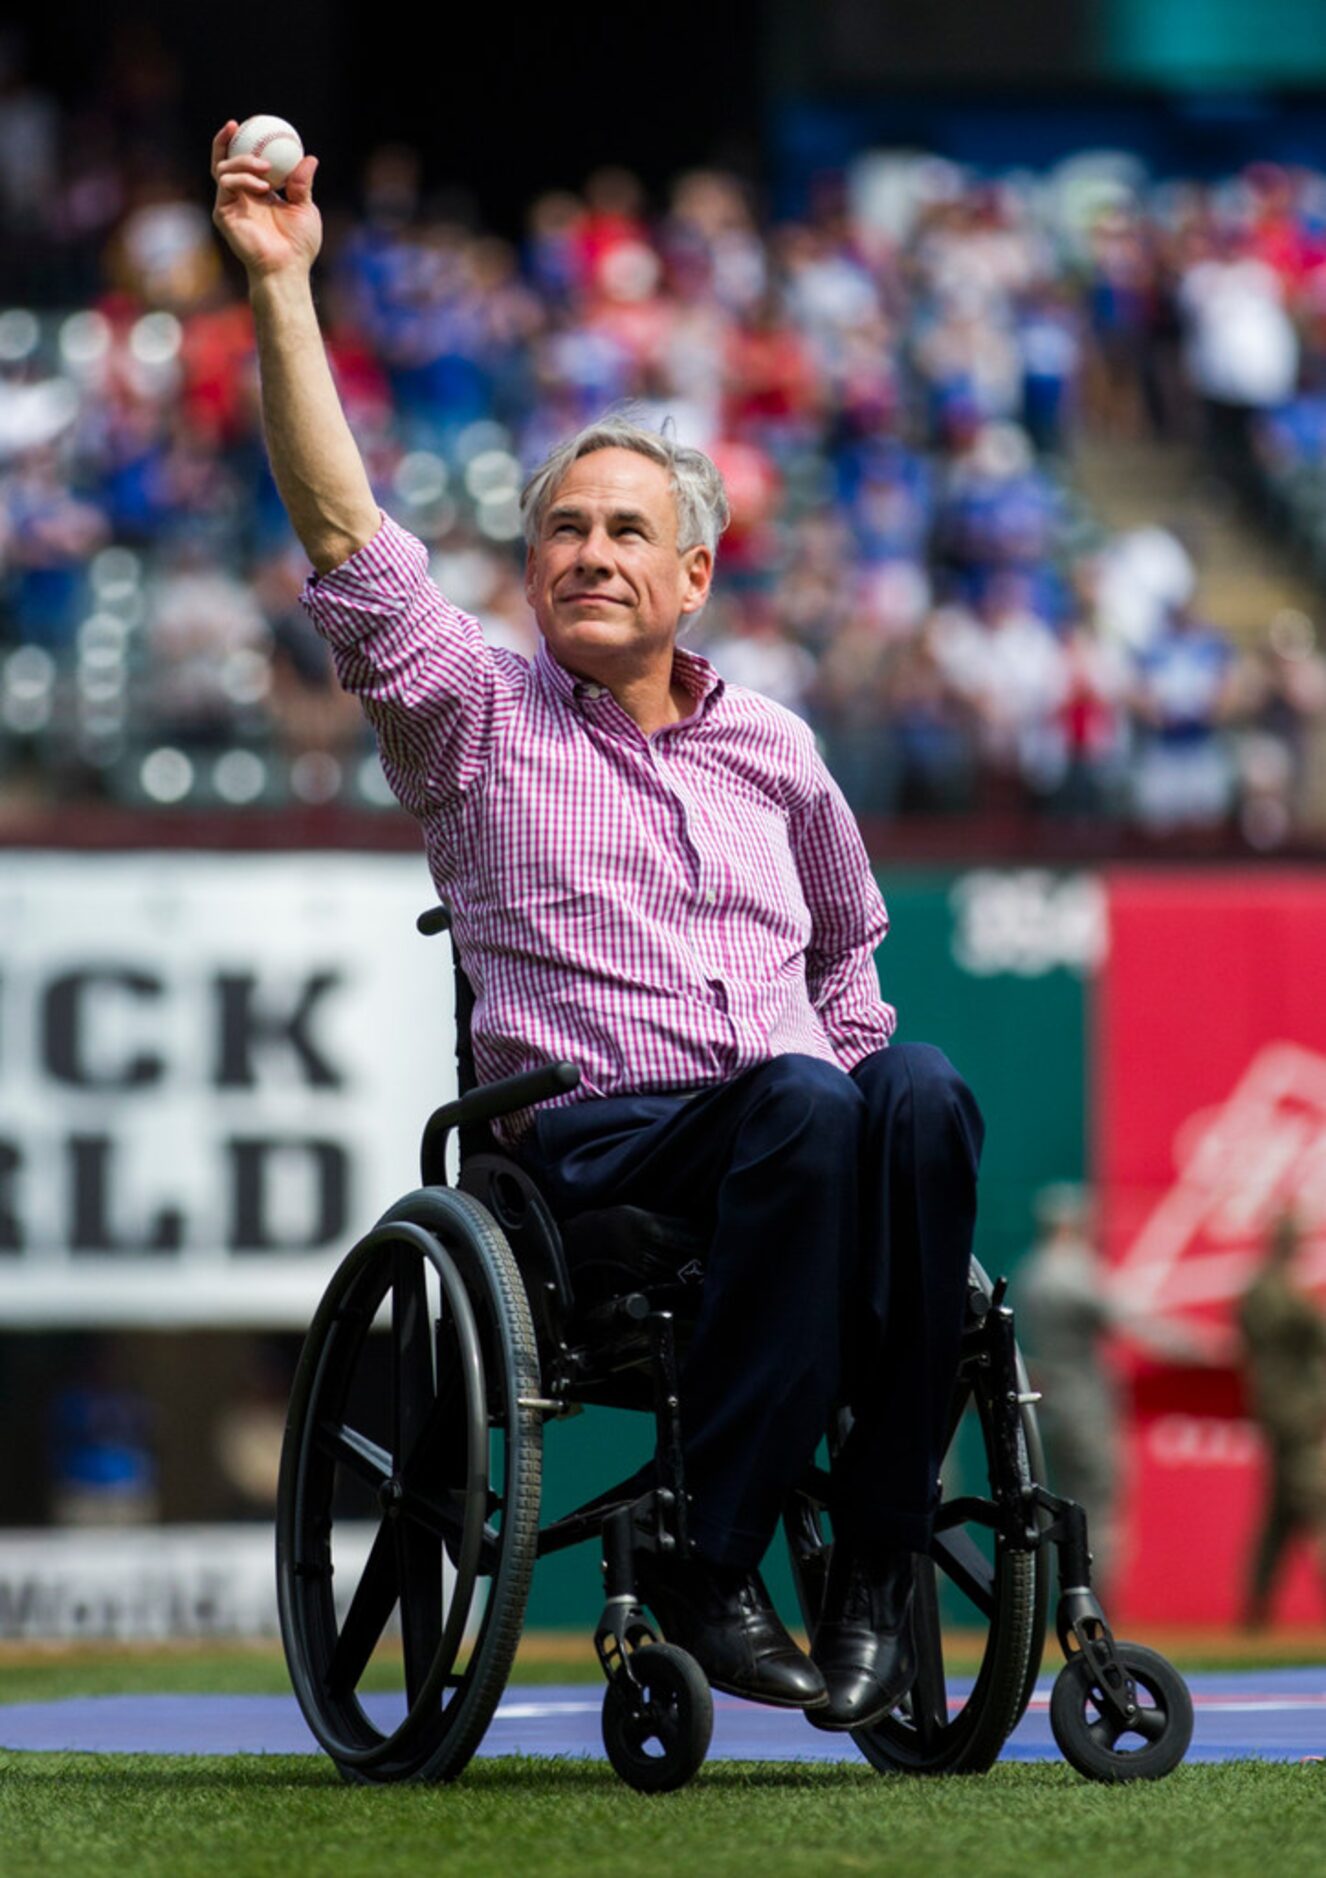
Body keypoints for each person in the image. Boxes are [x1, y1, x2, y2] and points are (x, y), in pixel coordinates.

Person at [211, 124, 985, 1730]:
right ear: (529, 566)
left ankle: (872, 1564)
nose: (588, 554)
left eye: (627, 532)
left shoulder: (773, 745)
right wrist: (286, 288)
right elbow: (351, 543)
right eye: (564, 531)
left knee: (913, 1088)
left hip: (791, 1128)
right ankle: (708, 1565)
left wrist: (839, 1071)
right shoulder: (475, 714)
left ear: (694, 572)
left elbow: (849, 953)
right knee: (814, 1104)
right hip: (592, 1157)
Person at [1238, 1211, 1326, 1628]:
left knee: (1281, 1516)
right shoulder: (1272, 1290)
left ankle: (1254, 1613)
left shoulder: (1269, 1288)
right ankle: (1254, 1612)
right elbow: (1308, 1330)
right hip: (1296, 1416)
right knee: (1318, 1505)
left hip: (1290, 1413)